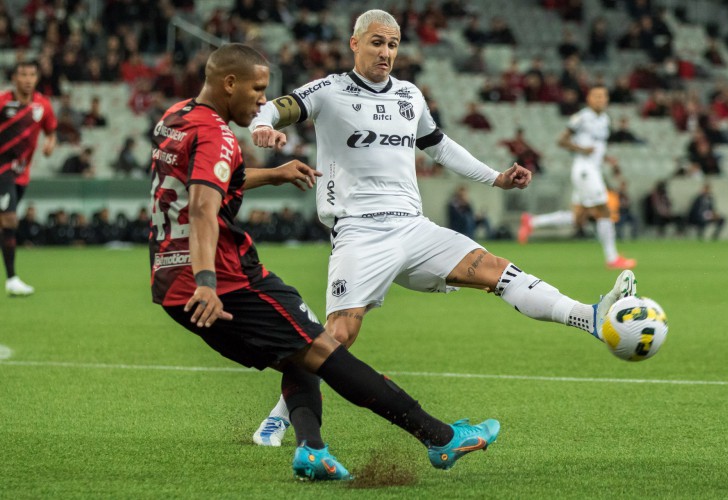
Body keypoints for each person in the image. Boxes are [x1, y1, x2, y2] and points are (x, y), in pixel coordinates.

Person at [249, 10, 637, 447]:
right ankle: (278, 420)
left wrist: (495, 177)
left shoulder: (409, 96)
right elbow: (274, 107)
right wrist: (262, 126)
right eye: (377, 42)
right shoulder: (329, 91)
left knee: (496, 269)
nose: (386, 52)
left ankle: (590, 316)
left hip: (414, 228)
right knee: (337, 337)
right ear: (354, 43)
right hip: (360, 232)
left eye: (393, 45)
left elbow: (440, 147)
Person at [150, 43, 502, 481]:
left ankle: (312, 450)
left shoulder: (176, 118)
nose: (263, 100)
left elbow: (208, 182)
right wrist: (206, 279)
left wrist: (274, 174)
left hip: (171, 284)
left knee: (299, 353)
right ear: (229, 83)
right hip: (224, 280)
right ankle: (440, 437)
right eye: (257, 90)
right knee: (323, 349)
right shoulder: (217, 136)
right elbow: (203, 207)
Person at [518, 86, 636, 270]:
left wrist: (606, 158)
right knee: (604, 209)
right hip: (584, 169)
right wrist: (582, 150)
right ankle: (612, 258)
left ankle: (532, 222)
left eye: (603, 96)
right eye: (596, 96)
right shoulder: (582, 118)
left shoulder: (605, 119)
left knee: (578, 219)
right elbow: (561, 140)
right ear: (588, 99)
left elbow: (597, 146)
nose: (601, 99)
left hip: (593, 168)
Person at [0, 61, 57, 296]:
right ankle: (12, 279)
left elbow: (51, 131)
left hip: (22, 174)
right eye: (22, 74)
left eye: (32, 74)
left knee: (5, 223)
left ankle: (12, 278)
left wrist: (49, 145)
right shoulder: (3, 102)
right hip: (2, 169)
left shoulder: (42, 105)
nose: (27, 79)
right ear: (14, 77)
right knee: (9, 220)